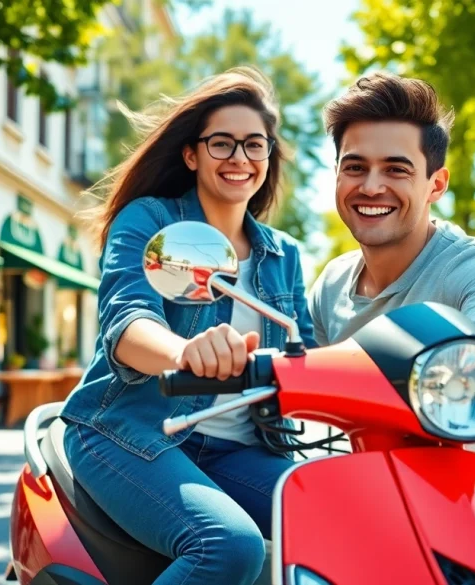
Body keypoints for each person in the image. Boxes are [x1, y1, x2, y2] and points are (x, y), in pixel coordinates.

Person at [60, 67, 316, 585]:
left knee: (341, 512)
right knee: (229, 547)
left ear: (269, 155)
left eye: (254, 145)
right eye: (222, 143)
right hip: (129, 433)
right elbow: (128, 323)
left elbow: (304, 352)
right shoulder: (151, 221)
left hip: (240, 450)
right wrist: (184, 352)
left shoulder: (282, 253)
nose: (240, 158)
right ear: (191, 154)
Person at [308, 71, 475, 350]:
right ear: (337, 175)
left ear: (436, 185)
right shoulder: (330, 285)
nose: (371, 187)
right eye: (355, 168)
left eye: (396, 170)